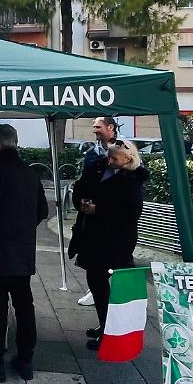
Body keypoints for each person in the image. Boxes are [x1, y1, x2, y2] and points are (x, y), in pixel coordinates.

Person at [0, 124, 48, 383]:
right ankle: (25, 359)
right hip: (22, 250)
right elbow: (42, 210)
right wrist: (23, 229)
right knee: (24, 304)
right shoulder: (30, 173)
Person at [72, 139, 147, 350]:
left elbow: (131, 212)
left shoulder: (131, 180)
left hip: (114, 240)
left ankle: (110, 329)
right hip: (94, 236)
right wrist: (82, 203)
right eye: (109, 156)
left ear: (128, 159)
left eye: (115, 158)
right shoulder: (99, 168)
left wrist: (99, 210)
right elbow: (81, 186)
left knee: (100, 282)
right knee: (97, 282)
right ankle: (106, 326)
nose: (109, 160)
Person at [77, 116, 120, 306]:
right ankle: (104, 319)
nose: (94, 130)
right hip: (94, 222)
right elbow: (84, 183)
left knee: (112, 267)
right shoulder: (92, 154)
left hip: (114, 222)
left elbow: (129, 195)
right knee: (96, 271)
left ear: (110, 127)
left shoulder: (125, 150)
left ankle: (110, 322)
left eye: (98, 127)